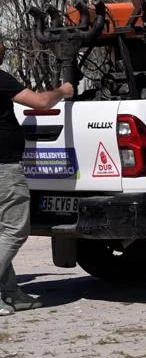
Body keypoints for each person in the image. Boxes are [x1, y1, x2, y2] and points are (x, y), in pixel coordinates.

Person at [0, 39, 75, 315]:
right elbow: (41, 102)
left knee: (2, 233)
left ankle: (11, 293)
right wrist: (63, 90)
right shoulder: (1, 79)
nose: (4, 50)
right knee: (14, 230)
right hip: (4, 167)